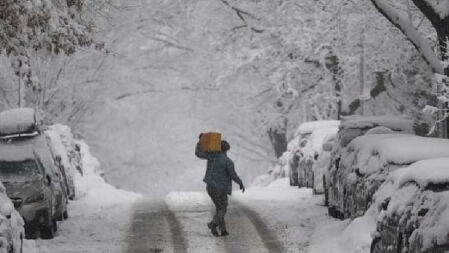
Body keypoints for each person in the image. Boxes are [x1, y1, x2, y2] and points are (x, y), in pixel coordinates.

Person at [195, 134, 245, 237]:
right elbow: (233, 175)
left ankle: (223, 230)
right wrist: (240, 183)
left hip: (210, 187)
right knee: (223, 208)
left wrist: (200, 142)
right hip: (220, 188)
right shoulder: (228, 161)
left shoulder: (211, 157)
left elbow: (198, 153)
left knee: (219, 208)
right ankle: (213, 224)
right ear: (226, 150)